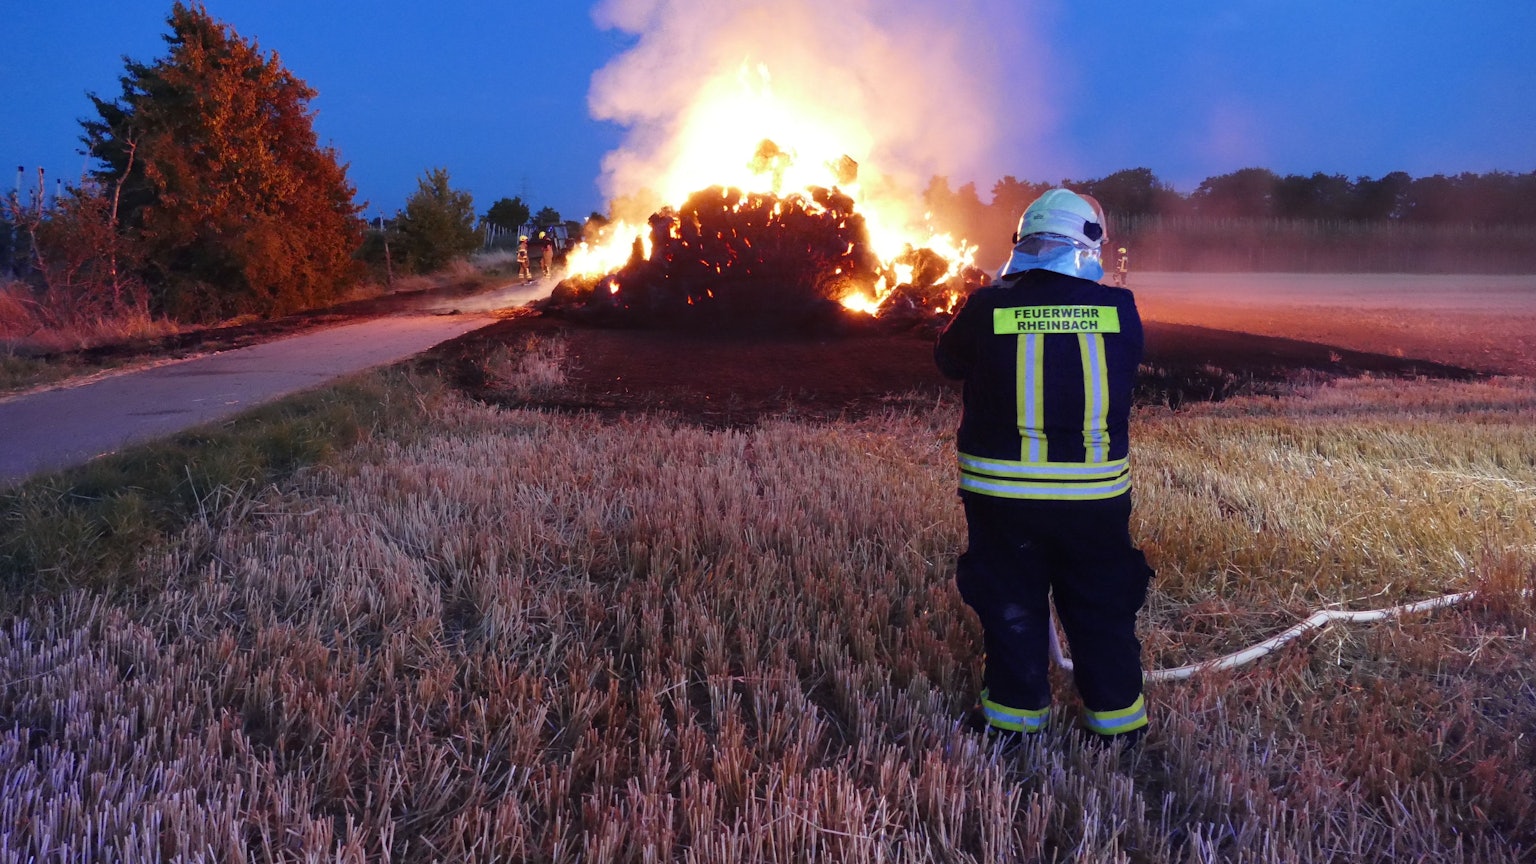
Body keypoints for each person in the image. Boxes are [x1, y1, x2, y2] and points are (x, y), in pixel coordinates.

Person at [935, 188, 1154, 749]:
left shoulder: (988, 307)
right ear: (1092, 243)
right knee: (1102, 605)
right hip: (1094, 498)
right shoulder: (1120, 310)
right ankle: (1118, 726)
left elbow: (948, 361)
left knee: (1011, 604)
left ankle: (1014, 724)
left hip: (1002, 496)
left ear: (1022, 241)